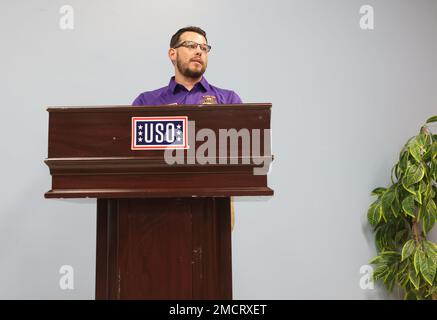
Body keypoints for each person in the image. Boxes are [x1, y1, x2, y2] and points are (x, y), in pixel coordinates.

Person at [132, 26, 241, 230]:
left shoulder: (229, 100)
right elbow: (133, 155)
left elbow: (242, 149)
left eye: (204, 47)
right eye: (191, 45)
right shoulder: (146, 102)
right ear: (172, 53)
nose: (199, 51)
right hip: (155, 206)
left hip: (213, 204)